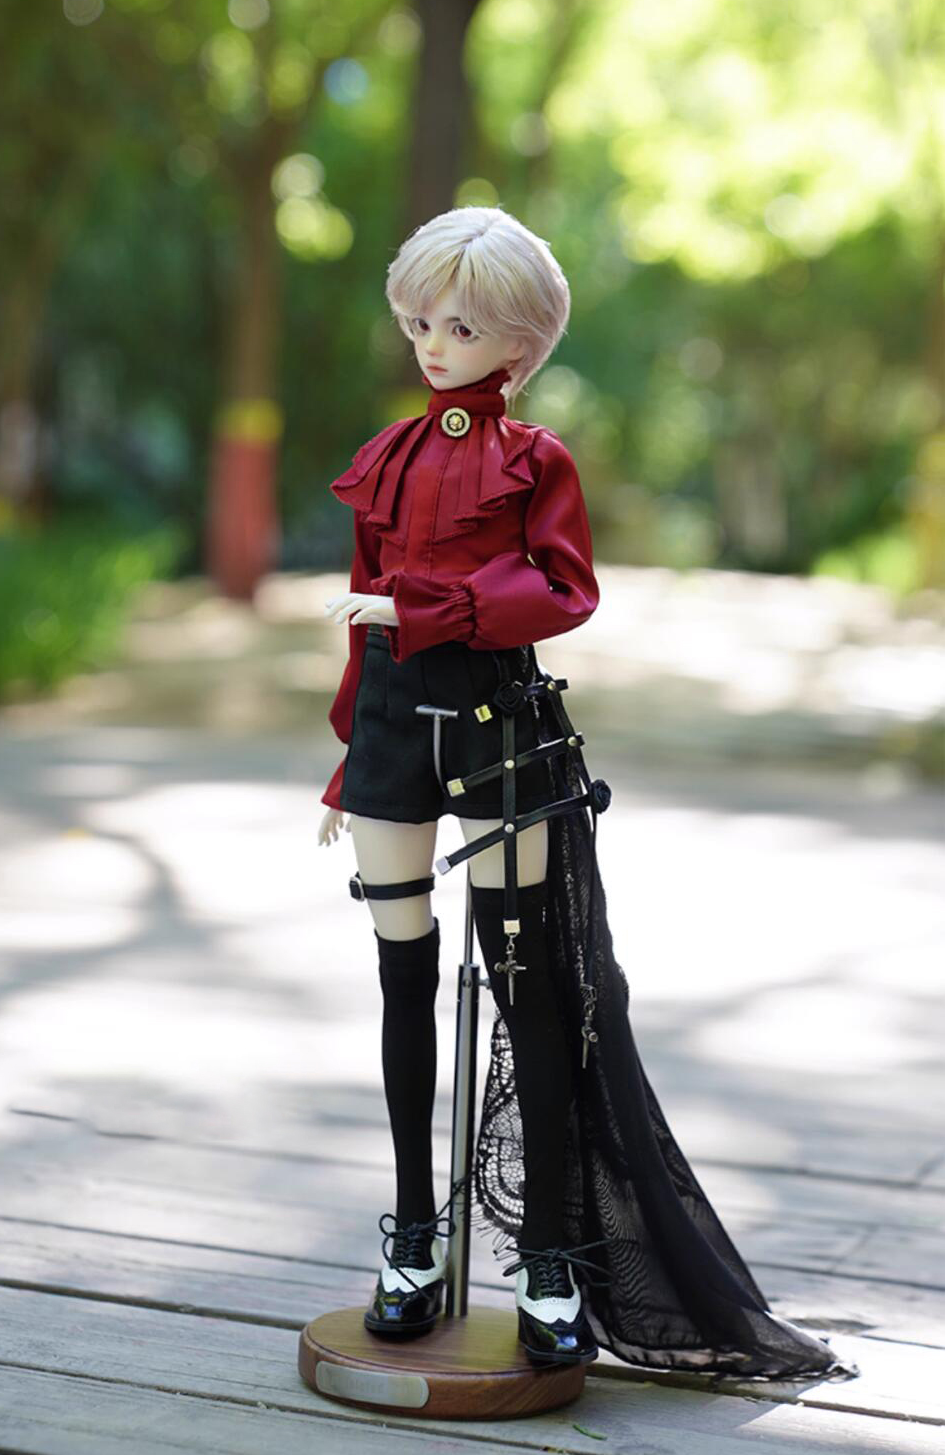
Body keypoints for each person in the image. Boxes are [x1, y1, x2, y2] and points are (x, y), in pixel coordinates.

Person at [316, 205, 859, 1381]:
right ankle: (412, 1237)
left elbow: (566, 590)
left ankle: (550, 1255)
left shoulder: (534, 460)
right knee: (402, 981)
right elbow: (364, 625)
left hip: (501, 724)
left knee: (534, 994)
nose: (434, 344)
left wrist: (436, 608)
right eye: (421, 322)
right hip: (393, 731)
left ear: (516, 342)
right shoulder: (389, 455)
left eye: (461, 327)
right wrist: (349, 755)